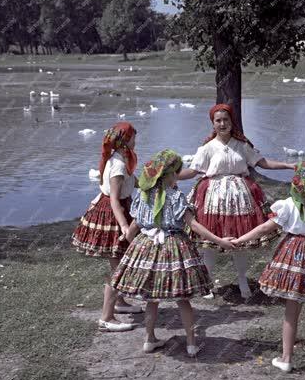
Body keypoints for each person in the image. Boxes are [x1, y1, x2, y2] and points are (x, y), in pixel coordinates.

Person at [231, 160, 305, 372]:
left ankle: (286, 358)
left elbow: (265, 228)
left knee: (292, 308)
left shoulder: (289, 203)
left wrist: (240, 240)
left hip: (297, 253)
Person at [111, 149, 235, 356]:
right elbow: (194, 226)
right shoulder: (176, 197)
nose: (178, 176)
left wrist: (137, 251)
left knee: (151, 298)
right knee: (182, 298)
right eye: (176, 172)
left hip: (147, 245)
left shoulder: (142, 197)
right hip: (175, 247)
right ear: (169, 175)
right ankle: (191, 344)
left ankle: (149, 340)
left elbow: (133, 229)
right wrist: (220, 240)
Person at [178, 104, 294, 299]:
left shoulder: (242, 145)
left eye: (226, 120)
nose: (222, 124)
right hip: (213, 200)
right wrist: (169, 176)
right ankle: (207, 282)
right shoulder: (207, 148)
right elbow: (193, 171)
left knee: (241, 240)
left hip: (241, 199)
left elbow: (262, 162)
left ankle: (242, 280)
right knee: (209, 242)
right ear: (213, 124)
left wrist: (289, 165)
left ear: (232, 122)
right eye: (218, 120)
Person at [71, 122, 143, 332]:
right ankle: (106, 317)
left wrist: (156, 181)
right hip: (113, 214)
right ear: (125, 142)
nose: (135, 141)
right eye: (133, 138)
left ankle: (119, 303)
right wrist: (124, 226)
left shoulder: (121, 160)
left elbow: (136, 182)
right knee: (118, 268)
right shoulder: (119, 165)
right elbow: (113, 200)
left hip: (120, 208)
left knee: (118, 263)